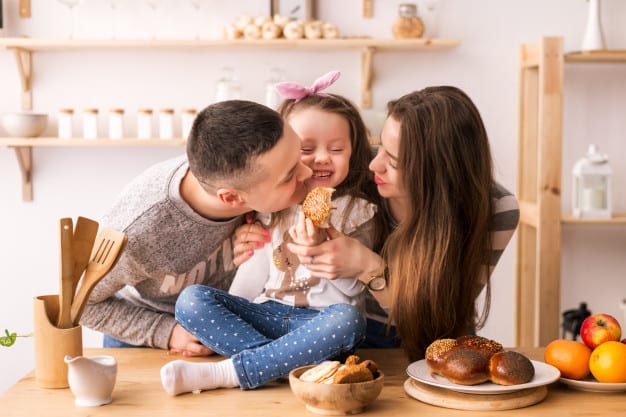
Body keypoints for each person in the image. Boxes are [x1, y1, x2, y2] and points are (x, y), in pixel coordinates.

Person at [234, 86, 520, 362]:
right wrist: (248, 229)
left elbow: (441, 323)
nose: (374, 165)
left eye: (393, 161)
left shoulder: (497, 210)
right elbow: (265, 184)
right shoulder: (354, 170)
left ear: (439, 175)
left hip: (429, 339)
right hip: (350, 333)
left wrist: (368, 268)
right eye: (380, 146)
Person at [159, 71, 386, 394]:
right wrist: (225, 315)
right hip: (267, 312)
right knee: (191, 301)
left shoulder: (360, 212)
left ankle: (231, 372)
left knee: (348, 321)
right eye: (307, 149)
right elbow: (254, 273)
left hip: (318, 324)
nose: (321, 158)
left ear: (354, 153)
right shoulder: (273, 205)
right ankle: (281, 364)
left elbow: (351, 291)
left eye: (336, 150)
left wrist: (327, 246)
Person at [79, 100, 312, 356]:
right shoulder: (136, 232)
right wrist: (165, 332)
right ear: (231, 199)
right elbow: (79, 304)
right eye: (290, 175)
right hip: (151, 343)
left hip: (226, 327)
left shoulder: (246, 173)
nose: (307, 171)